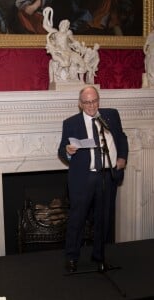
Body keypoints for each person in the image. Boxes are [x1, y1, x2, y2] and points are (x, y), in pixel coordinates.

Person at [58, 86, 128, 273]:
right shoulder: (71, 123)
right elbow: (62, 151)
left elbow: (121, 138)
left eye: (95, 101)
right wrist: (68, 151)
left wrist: (122, 158)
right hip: (84, 178)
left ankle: (99, 256)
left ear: (99, 100)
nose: (92, 105)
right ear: (80, 104)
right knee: (77, 219)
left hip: (107, 176)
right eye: (87, 102)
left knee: (103, 219)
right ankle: (72, 258)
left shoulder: (111, 116)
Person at [143, 21, 154, 88]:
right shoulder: (151, 35)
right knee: (150, 66)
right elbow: (146, 45)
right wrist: (146, 51)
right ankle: (151, 82)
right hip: (151, 53)